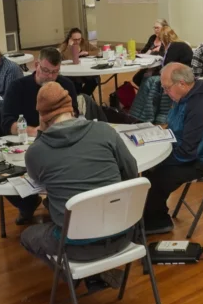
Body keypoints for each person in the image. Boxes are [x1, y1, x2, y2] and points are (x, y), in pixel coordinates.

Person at [19, 82, 138, 290]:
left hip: (75, 247)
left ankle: (72, 275)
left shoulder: (37, 151)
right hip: (123, 232)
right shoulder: (105, 131)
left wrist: (41, 134)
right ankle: (97, 274)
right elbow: (131, 173)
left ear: (43, 117)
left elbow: (36, 179)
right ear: (72, 108)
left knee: (28, 236)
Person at [143, 63, 203, 234]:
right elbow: (176, 127)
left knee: (158, 175)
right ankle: (152, 216)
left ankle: (157, 221)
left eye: (167, 88)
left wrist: (160, 159)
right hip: (188, 150)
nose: (165, 92)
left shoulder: (200, 106)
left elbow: (189, 152)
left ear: (182, 83)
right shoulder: (185, 97)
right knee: (151, 170)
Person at [2, 47, 79, 224]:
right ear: (36, 65)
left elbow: (73, 115)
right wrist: (36, 131)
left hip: (59, 142)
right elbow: (7, 123)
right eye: (46, 71)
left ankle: (54, 203)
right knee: (6, 176)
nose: (50, 77)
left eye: (55, 72)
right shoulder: (18, 87)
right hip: (26, 142)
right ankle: (28, 203)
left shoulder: (65, 85)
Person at [59, 28, 100, 96]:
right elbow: (66, 58)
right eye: (75, 39)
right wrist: (69, 46)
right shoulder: (65, 45)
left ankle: (82, 97)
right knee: (76, 82)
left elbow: (98, 51)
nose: (77, 41)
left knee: (95, 79)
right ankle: (80, 98)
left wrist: (87, 52)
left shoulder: (84, 43)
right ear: (70, 39)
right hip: (71, 73)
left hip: (84, 70)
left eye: (79, 39)